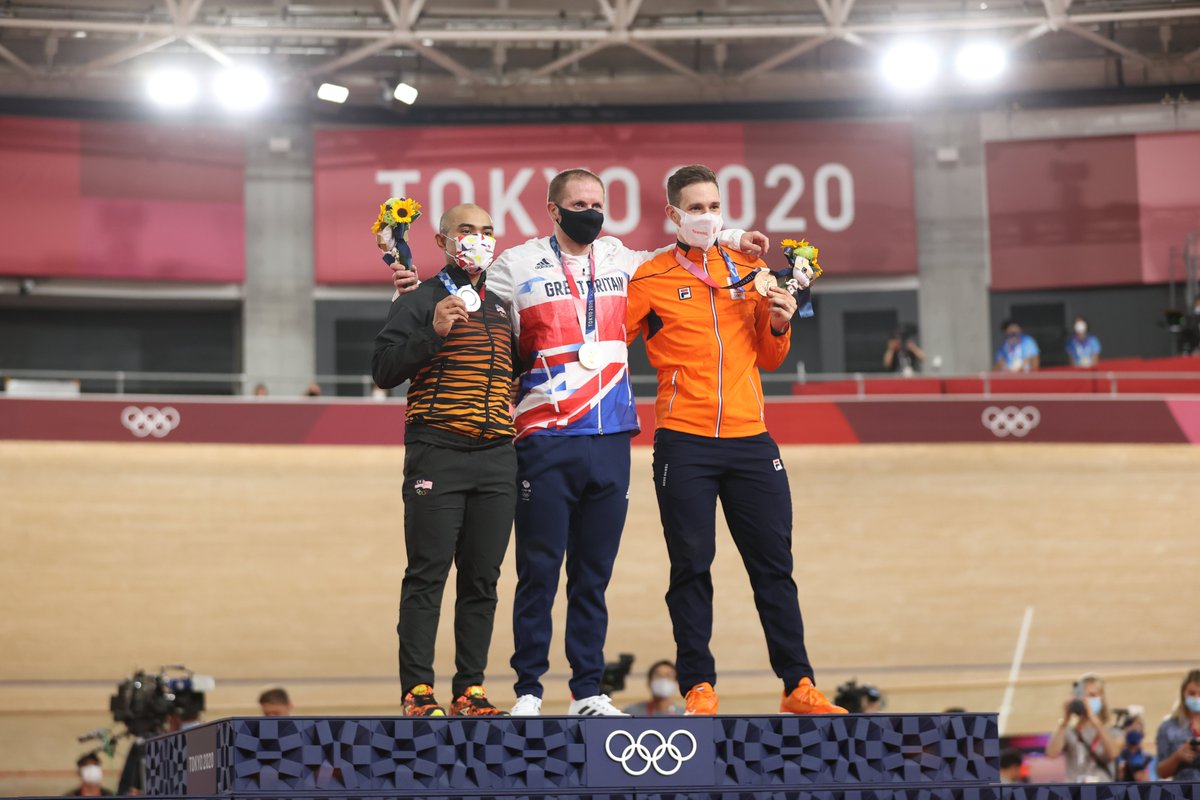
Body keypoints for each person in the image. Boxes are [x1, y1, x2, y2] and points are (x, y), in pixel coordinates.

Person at [389, 168, 766, 717]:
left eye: (598, 201)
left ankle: (588, 689)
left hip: (611, 434)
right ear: (553, 209)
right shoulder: (513, 265)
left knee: (593, 576)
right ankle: (528, 690)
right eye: (579, 202)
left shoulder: (622, 259)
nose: (591, 210)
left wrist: (728, 236)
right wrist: (409, 288)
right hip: (543, 435)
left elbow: (681, 248)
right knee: (537, 572)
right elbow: (460, 287)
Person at [625, 164, 842, 717]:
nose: (707, 216)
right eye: (695, 208)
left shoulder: (751, 268)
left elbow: (770, 356)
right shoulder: (648, 278)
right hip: (684, 441)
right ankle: (698, 685)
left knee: (774, 565)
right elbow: (607, 337)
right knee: (691, 565)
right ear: (673, 214)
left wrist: (778, 323)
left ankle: (798, 684)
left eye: (713, 206)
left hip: (751, 440)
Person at [373, 203, 516, 717]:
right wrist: (432, 330)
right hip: (438, 452)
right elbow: (384, 370)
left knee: (483, 579)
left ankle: (470, 690)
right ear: (442, 240)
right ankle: (418, 692)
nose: (477, 239)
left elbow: (513, 377)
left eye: (486, 231)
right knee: (427, 574)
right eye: (466, 230)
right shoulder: (418, 297)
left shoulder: (500, 306)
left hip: (498, 457)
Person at [1044, 673, 1122, 782]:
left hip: (1102, 791)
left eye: (1092, 695)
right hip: (1075, 792)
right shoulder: (1069, 731)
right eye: (1083, 696)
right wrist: (1065, 720)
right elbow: (1051, 753)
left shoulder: (1113, 732)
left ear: (1102, 699)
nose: (1086, 700)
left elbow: (1113, 753)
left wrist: (1095, 720)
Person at [1154, 668, 1200, 782]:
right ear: (1183, 693)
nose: (1197, 698)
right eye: (1192, 693)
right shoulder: (1168, 727)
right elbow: (1161, 772)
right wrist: (1177, 756)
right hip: (1183, 790)